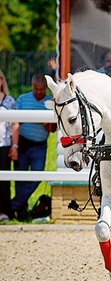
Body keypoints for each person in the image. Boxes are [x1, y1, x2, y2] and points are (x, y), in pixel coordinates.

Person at [11, 74, 56, 221]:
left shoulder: (49, 102)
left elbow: (51, 129)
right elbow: (15, 122)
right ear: (32, 86)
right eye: (36, 89)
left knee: (37, 176)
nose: (39, 92)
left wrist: (43, 121)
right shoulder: (23, 99)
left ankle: (12, 205)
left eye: (42, 89)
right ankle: (21, 212)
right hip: (23, 143)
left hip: (39, 145)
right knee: (20, 178)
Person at [0, 71, 19, 221]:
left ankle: (4, 211)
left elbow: (15, 124)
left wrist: (15, 145)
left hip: (4, 144)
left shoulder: (10, 101)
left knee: (4, 181)